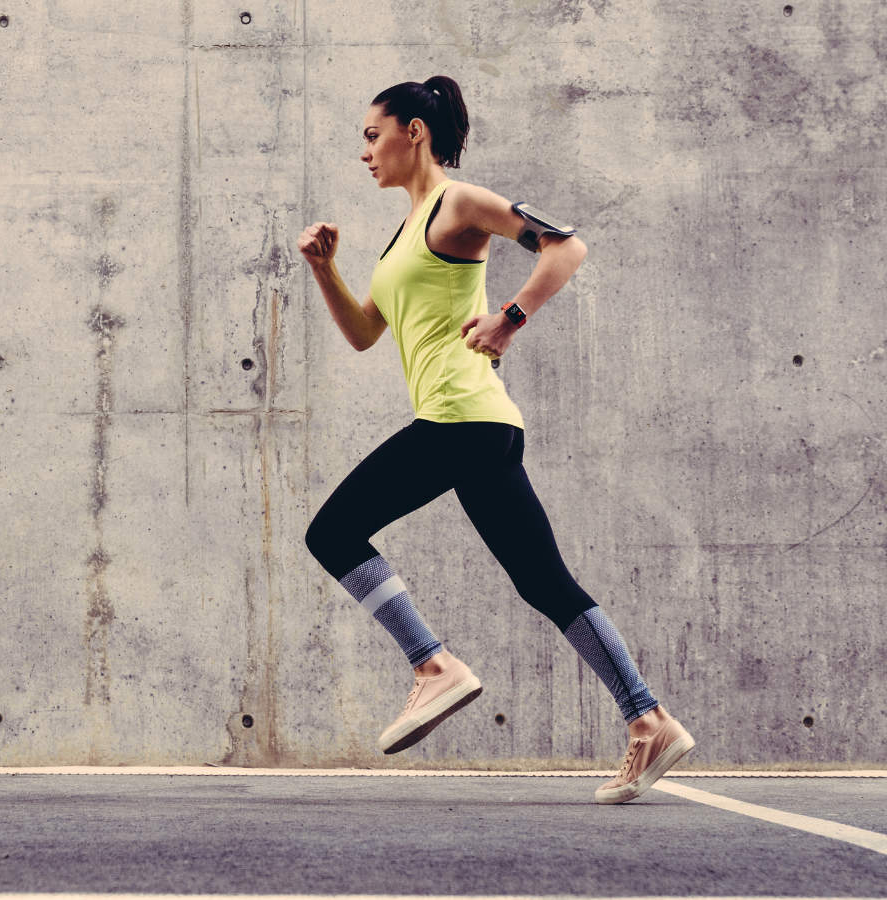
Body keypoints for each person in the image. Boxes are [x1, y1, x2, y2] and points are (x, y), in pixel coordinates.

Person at [296, 75, 694, 804]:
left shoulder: (459, 203)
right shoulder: (403, 236)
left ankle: (433, 666)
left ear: (414, 131)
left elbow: (566, 248)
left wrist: (510, 315)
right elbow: (362, 335)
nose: (365, 152)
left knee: (332, 532)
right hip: (474, 427)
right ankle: (649, 718)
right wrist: (325, 270)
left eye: (372, 133)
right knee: (542, 581)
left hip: (461, 419)